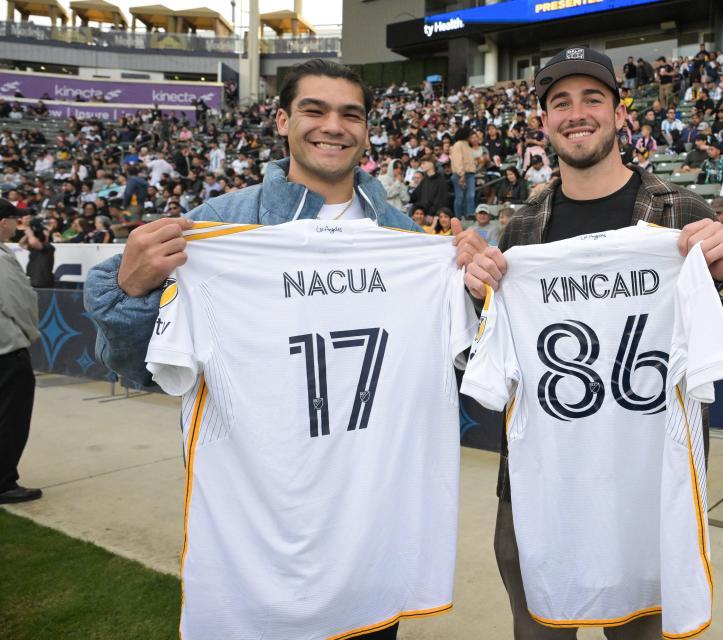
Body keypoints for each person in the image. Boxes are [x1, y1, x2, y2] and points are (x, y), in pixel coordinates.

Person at [84, 59, 488, 640]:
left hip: (369, 536)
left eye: (351, 114)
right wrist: (129, 291)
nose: (334, 126)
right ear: (281, 120)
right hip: (255, 542)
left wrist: (470, 291)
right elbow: (135, 370)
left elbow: (447, 374)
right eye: (314, 110)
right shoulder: (220, 227)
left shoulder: (409, 241)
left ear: (368, 129)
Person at [463, 47, 723, 640]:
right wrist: (477, 300)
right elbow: (488, 366)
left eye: (592, 98)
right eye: (559, 102)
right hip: (541, 491)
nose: (576, 113)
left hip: (649, 485)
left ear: (620, 112)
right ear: (543, 122)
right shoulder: (521, 230)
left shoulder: (681, 212)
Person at [0, 199, 41, 504]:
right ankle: (3, 482)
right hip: (6, 349)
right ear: (4, 222)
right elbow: (17, 301)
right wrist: (29, 333)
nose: (17, 226)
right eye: (15, 220)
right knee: (10, 418)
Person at [18, 217, 55, 288]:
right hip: (32, 281)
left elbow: (34, 242)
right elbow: (21, 243)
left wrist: (30, 234)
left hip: (42, 283)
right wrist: (29, 233)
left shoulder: (49, 247)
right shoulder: (34, 248)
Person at [450, 127, 477, 220]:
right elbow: (458, 161)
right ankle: (458, 218)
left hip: (470, 174)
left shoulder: (467, 145)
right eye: (470, 135)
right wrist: (461, 174)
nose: (471, 137)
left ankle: (469, 217)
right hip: (461, 174)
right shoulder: (458, 144)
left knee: (470, 197)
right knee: (460, 197)